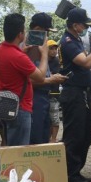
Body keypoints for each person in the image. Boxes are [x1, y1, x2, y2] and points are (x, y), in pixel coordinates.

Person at [59, 7, 91, 182]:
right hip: (73, 93)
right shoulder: (68, 42)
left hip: (81, 93)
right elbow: (86, 62)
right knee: (74, 135)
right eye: (84, 25)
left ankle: (76, 171)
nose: (86, 28)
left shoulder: (76, 40)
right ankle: (70, 176)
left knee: (85, 134)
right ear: (75, 25)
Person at [0, 13, 51, 147]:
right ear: (20, 34)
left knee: (11, 145)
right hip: (21, 108)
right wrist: (44, 54)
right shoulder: (18, 57)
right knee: (20, 151)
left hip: (5, 105)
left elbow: (11, 68)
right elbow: (41, 76)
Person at [28, 13, 68, 144]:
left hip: (43, 96)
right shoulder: (30, 48)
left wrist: (51, 77)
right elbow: (30, 79)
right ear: (38, 29)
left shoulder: (39, 47)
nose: (48, 35)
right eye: (46, 32)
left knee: (44, 134)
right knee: (36, 137)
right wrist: (50, 80)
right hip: (34, 97)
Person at [47, 40, 62, 143]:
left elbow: (54, 76)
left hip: (54, 94)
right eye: (51, 48)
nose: (54, 51)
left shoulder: (56, 61)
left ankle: (53, 139)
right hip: (43, 94)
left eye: (55, 48)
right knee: (46, 119)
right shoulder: (41, 60)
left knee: (55, 118)